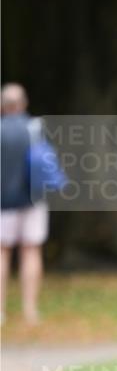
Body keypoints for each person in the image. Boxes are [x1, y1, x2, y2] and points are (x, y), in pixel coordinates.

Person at [0, 83, 48, 325]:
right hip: (32, 200)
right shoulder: (35, 128)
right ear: (23, 103)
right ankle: (30, 311)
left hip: (2, 203)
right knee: (31, 251)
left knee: (2, 253)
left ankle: (0, 311)